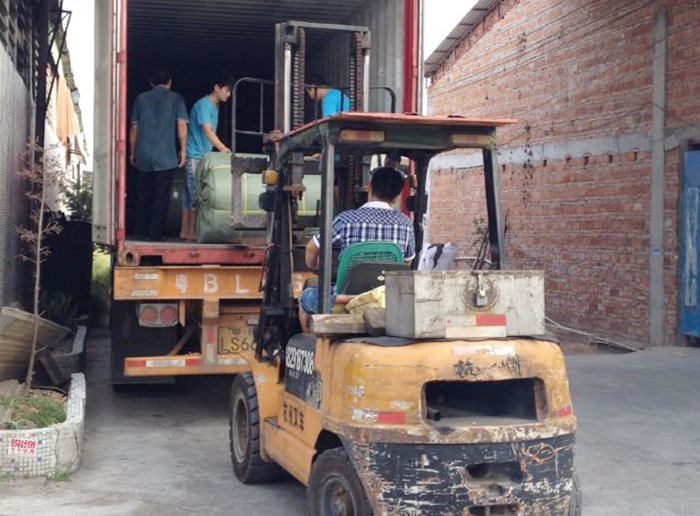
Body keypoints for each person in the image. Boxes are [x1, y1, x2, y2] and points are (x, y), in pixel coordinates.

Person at [298, 167, 415, 331]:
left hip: (346, 298)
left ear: (370, 186)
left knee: (305, 297)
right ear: (396, 197)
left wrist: (314, 266)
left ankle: (316, 343)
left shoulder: (345, 219)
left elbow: (312, 247)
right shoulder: (406, 223)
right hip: (384, 298)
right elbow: (406, 264)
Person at [129, 68, 188, 241]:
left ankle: (140, 231)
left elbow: (134, 127)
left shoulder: (140, 99)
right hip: (166, 156)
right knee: (161, 197)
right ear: (169, 82)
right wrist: (183, 150)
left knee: (142, 195)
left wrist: (133, 152)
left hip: (143, 155)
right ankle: (155, 234)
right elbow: (181, 125)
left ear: (151, 83)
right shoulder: (176, 99)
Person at [180, 75, 233, 240]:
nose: (228, 94)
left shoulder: (214, 107)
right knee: (196, 196)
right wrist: (222, 148)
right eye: (226, 90)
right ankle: (193, 233)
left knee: (189, 195)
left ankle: (186, 232)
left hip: (201, 156)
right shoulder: (204, 105)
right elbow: (208, 130)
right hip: (196, 156)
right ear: (216, 88)